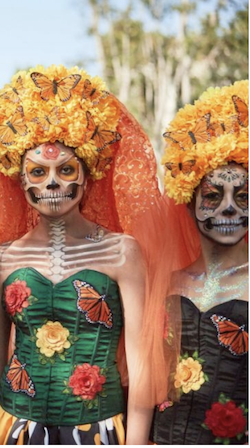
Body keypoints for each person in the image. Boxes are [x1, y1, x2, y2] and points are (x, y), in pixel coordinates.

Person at [0, 65, 177, 444]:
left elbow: (141, 364)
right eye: (38, 172)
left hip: (100, 431)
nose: (52, 182)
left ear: (87, 176)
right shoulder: (0, 260)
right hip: (14, 427)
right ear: (21, 181)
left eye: (65, 169)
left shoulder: (122, 252)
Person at [150, 80, 248, 444]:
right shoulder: (168, 281)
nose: (228, 208)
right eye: (212, 195)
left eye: (243, 196)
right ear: (188, 201)